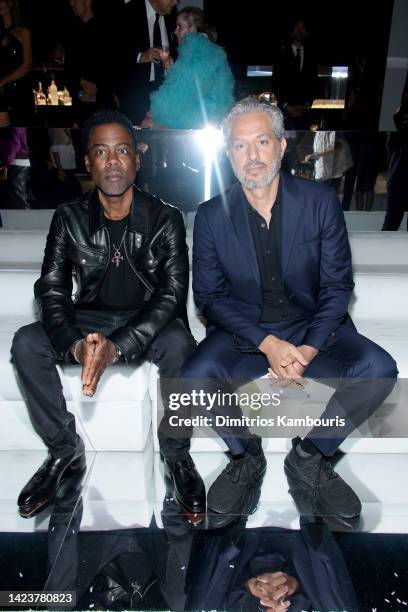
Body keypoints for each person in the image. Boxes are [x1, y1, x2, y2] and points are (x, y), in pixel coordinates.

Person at [181, 97, 398, 529]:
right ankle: (245, 457)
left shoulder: (319, 202)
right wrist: (269, 344)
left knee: (379, 367)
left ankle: (310, 456)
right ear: (228, 155)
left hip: (314, 324)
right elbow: (209, 296)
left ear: (281, 146)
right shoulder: (210, 216)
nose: (252, 155)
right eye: (240, 146)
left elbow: (338, 287)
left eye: (261, 142)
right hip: (246, 332)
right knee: (191, 379)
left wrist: (309, 348)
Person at [11, 109, 204, 523]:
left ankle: (176, 456)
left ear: (138, 158)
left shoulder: (165, 218)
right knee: (26, 341)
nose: (112, 161)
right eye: (101, 152)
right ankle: (64, 453)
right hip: (91, 319)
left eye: (122, 151)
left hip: (146, 320)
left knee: (178, 342)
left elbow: (171, 296)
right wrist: (76, 343)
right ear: (87, 162)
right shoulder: (68, 217)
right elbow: (51, 288)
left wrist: (118, 347)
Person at [148, 6, 234, 129]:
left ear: (192, 28)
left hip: (196, 127)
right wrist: (171, 68)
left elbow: (175, 95)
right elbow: (193, 86)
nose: (175, 32)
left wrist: (152, 114)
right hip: (214, 124)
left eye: (180, 27)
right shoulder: (208, 49)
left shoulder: (195, 50)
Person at [117, 0, 177, 125]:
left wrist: (171, 63)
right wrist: (140, 57)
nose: (176, 2)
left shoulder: (172, 17)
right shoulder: (127, 13)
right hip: (135, 98)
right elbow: (111, 53)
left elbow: (176, 52)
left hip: (165, 95)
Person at [64, 0, 117, 125]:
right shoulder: (72, 32)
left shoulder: (107, 30)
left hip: (104, 107)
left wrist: (96, 91)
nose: (71, 3)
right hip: (80, 108)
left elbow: (114, 69)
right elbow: (68, 70)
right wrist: (81, 85)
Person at [272, 19, 319, 130]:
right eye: (297, 28)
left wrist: (307, 105)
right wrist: (286, 106)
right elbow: (276, 82)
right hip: (284, 111)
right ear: (292, 32)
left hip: (305, 112)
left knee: (304, 143)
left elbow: (315, 83)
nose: (299, 30)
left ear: (306, 33)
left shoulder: (312, 55)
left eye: (302, 28)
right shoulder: (280, 53)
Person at [0, 0, 32, 126]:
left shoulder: (24, 32)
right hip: (3, 94)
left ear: (11, 3)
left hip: (19, 93)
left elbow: (27, 65)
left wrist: (3, 80)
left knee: (20, 135)